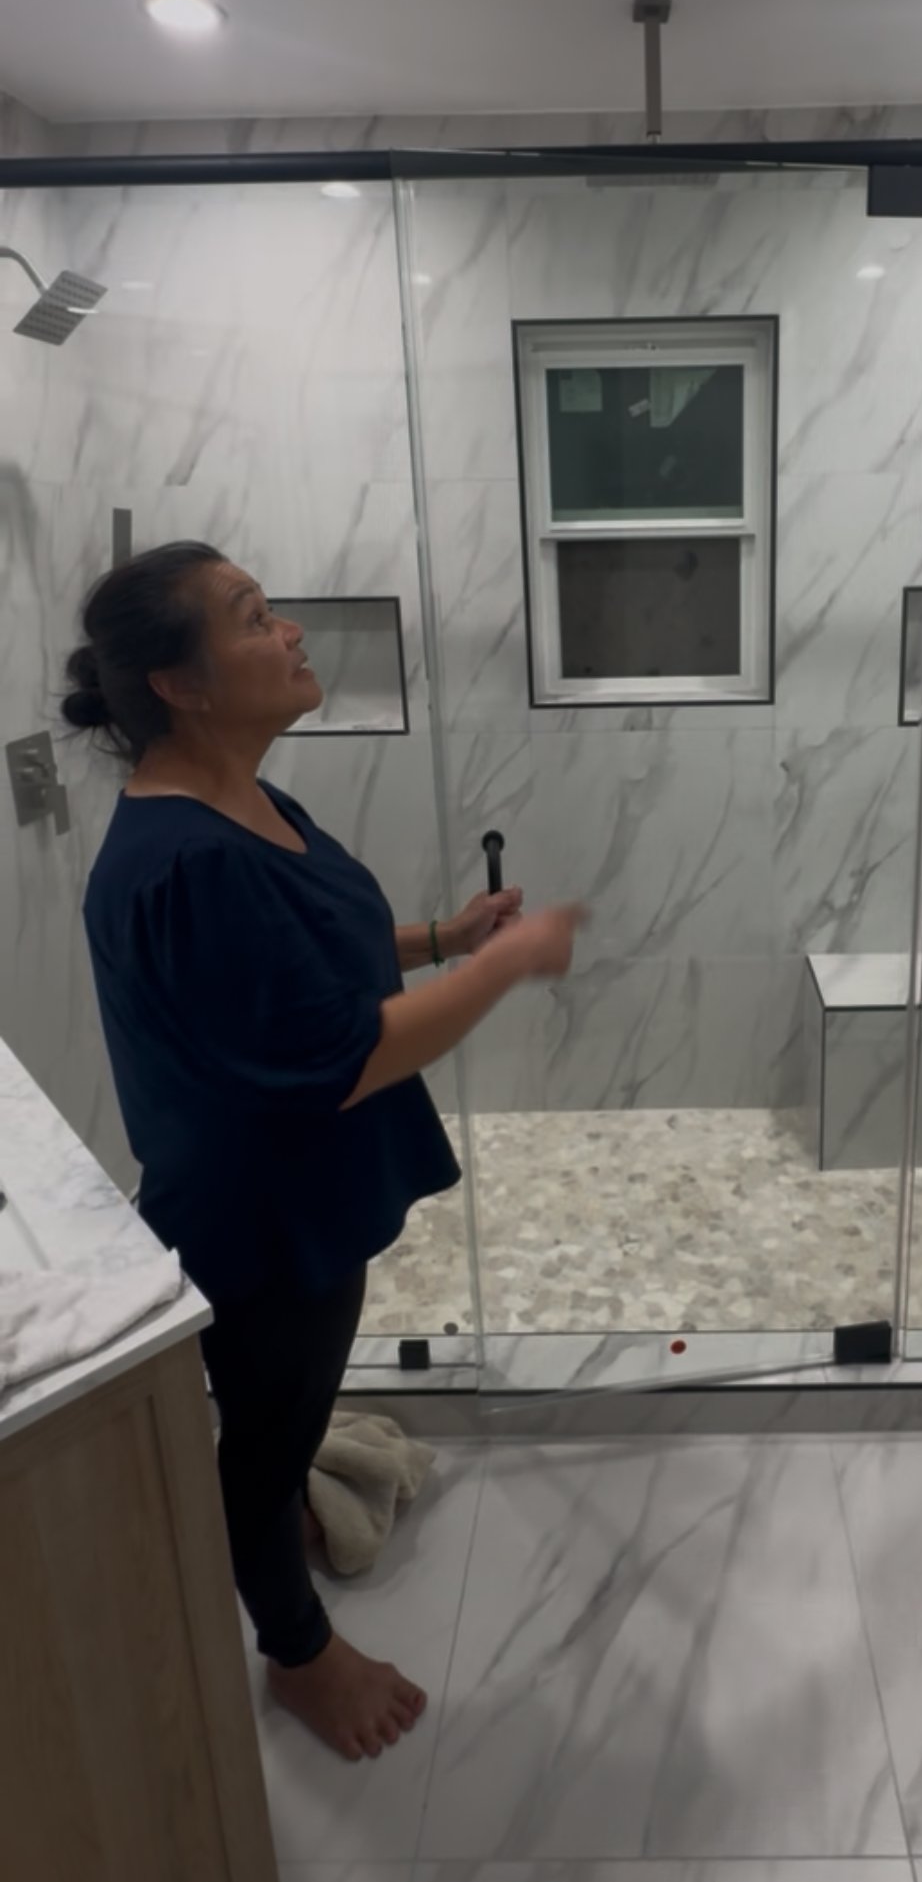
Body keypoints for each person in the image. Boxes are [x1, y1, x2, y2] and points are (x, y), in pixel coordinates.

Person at [61, 542, 584, 1763]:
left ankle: (287, 1516)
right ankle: (298, 1654)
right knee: (264, 1442)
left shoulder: (238, 800)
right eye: (253, 618)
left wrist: (445, 936)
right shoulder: (189, 861)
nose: (290, 629)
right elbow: (346, 1057)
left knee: (287, 1419)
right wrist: (506, 966)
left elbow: (313, 951)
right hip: (260, 1218)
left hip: (297, 1190)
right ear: (180, 684)